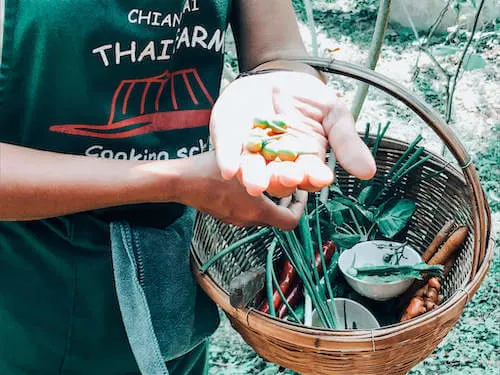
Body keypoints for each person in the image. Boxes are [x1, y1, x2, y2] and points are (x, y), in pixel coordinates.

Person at [0, 1, 375, 374]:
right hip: (36, 300)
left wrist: (280, 81)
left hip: (174, 280)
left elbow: (276, 51)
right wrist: (177, 180)